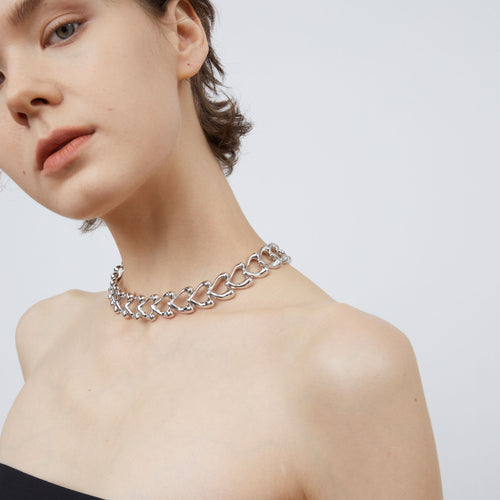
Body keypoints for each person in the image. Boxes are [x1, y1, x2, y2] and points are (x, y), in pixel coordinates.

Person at [0, 0, 443, 498]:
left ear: (182, 34)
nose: (17, 94)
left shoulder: (345, 369)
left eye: (63, 31)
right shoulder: (44, 337)